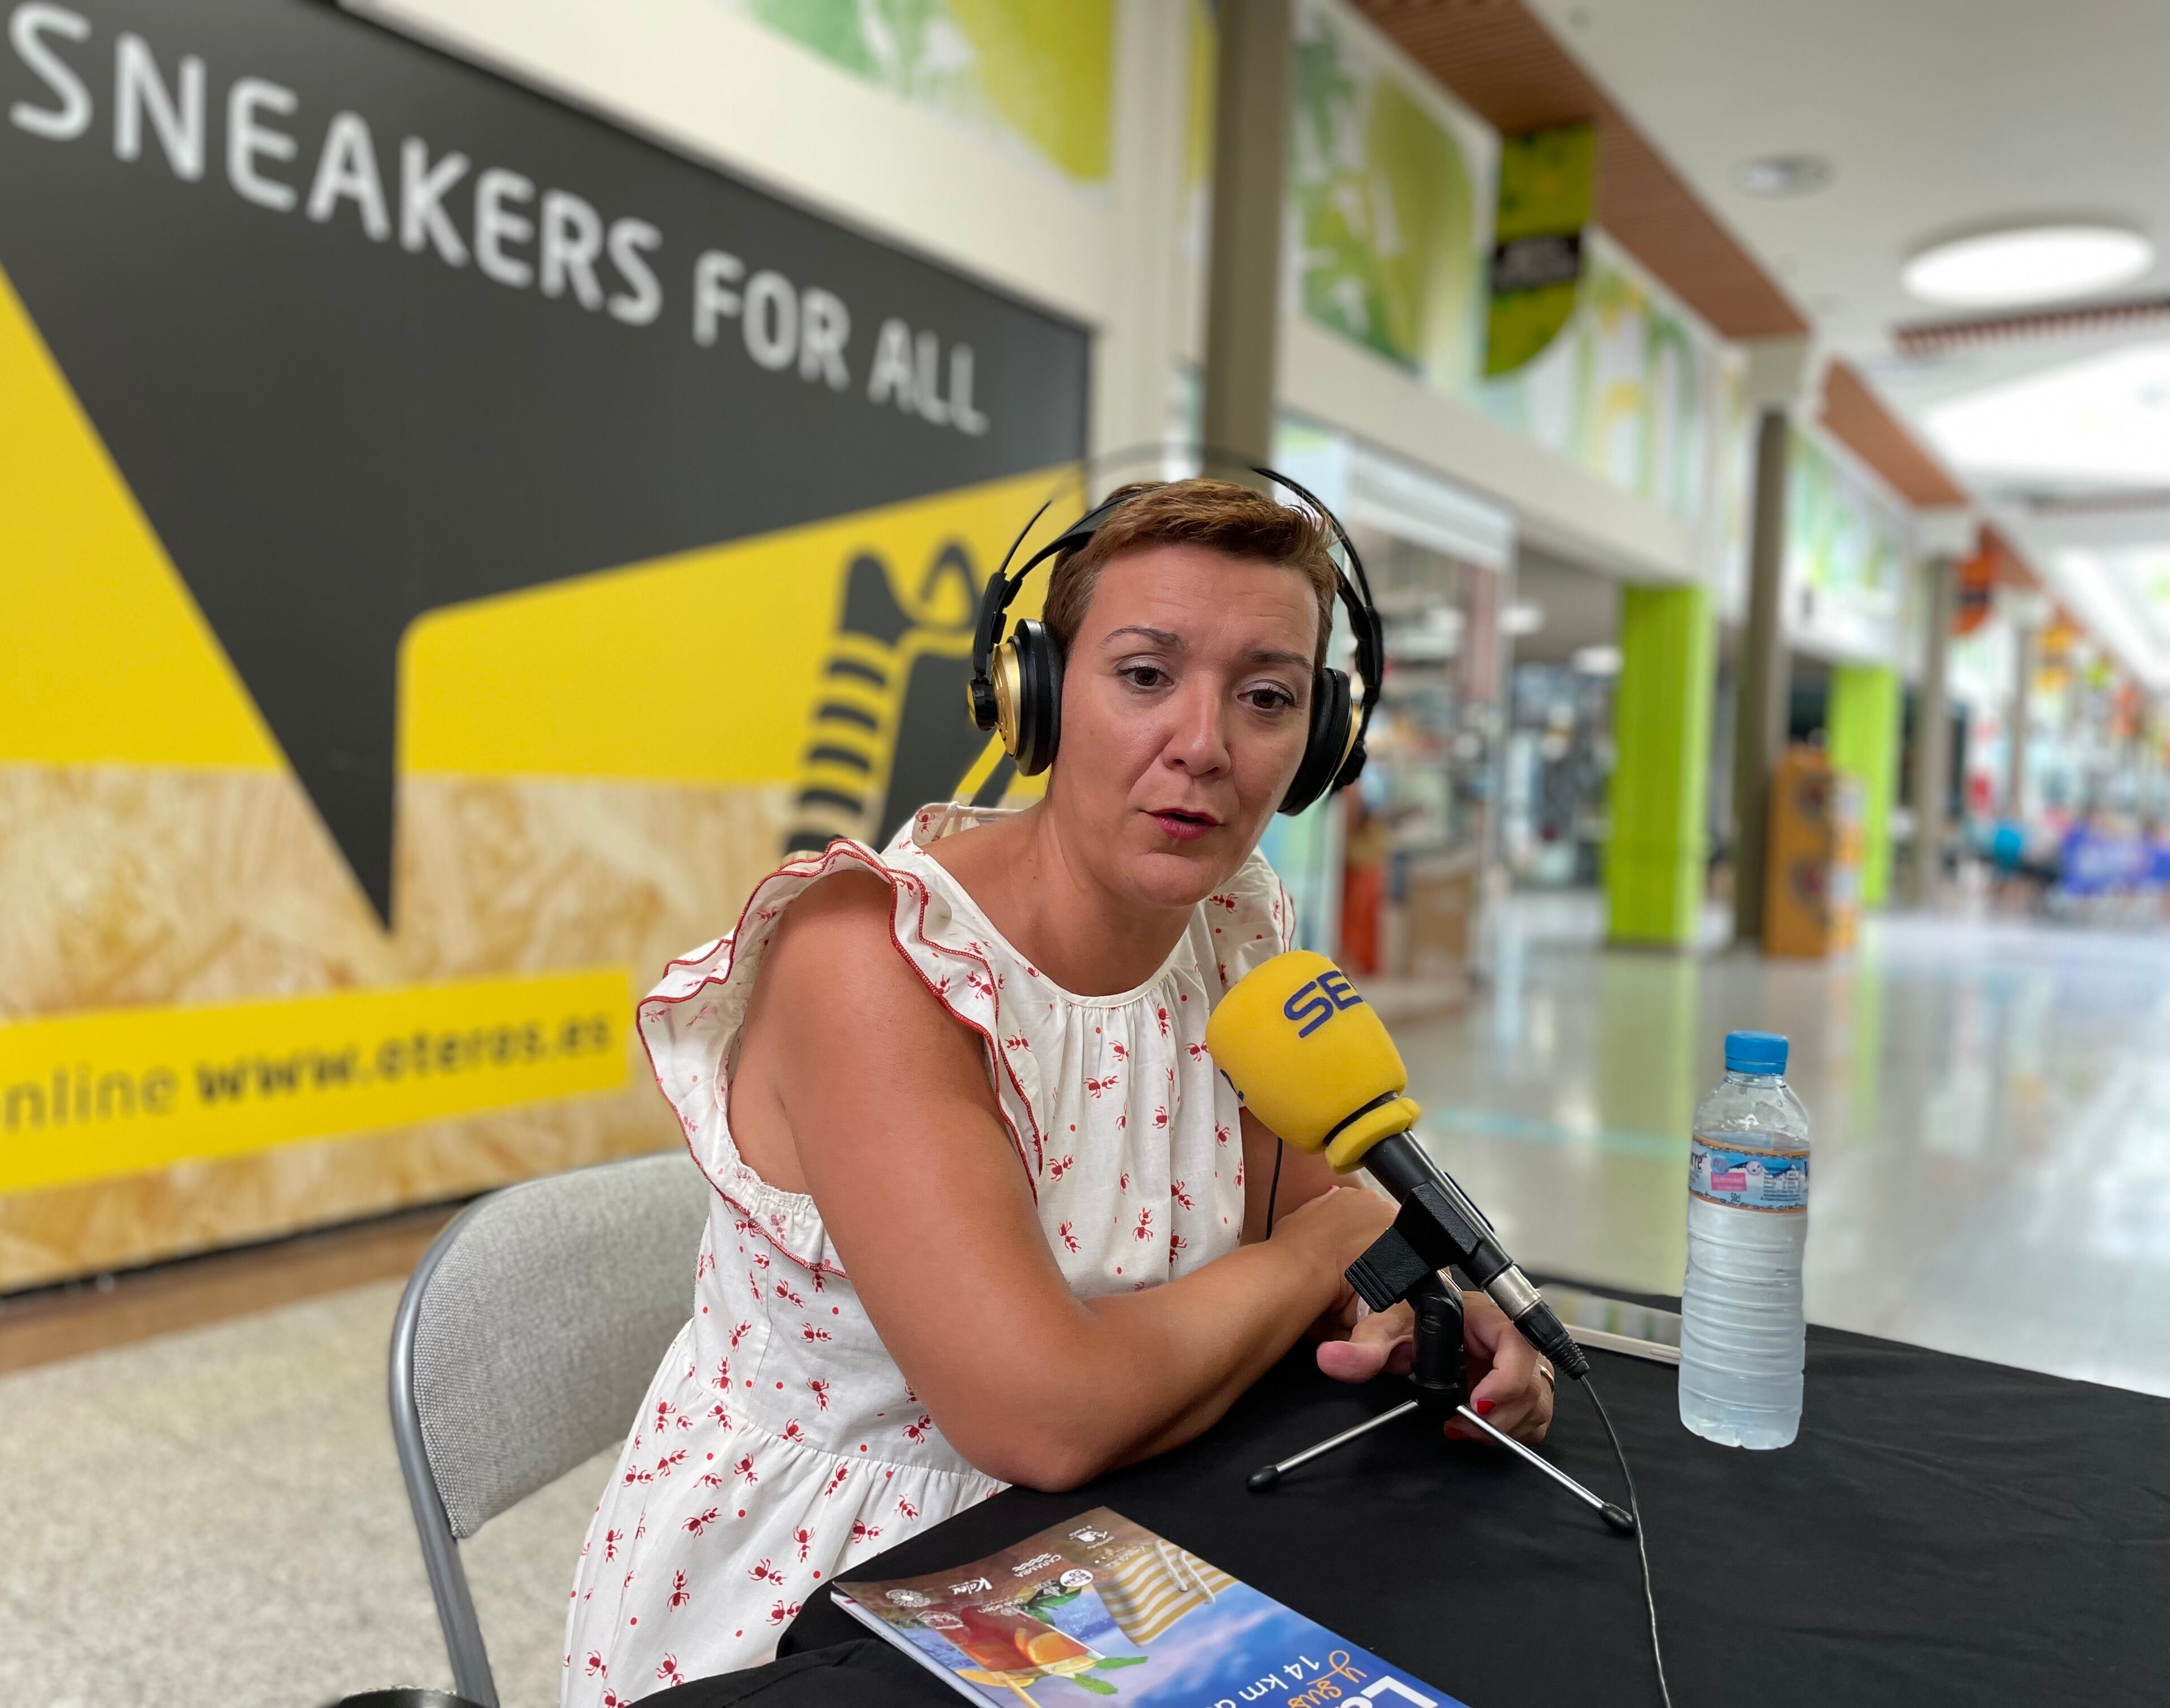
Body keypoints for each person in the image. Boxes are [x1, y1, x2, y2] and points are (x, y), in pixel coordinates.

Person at [560, 481, 1554, 1702]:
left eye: (1267, 696)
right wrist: (1347, 1243)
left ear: (1319, 743)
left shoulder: (1234, 932)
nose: (1203, 743)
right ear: (1036, 698)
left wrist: (1413, 1298)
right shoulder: (872, 958)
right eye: (1145, 675)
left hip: (1122, 1546)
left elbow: (1315, 1214)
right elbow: (1044, 1413)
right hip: (826, 1599)